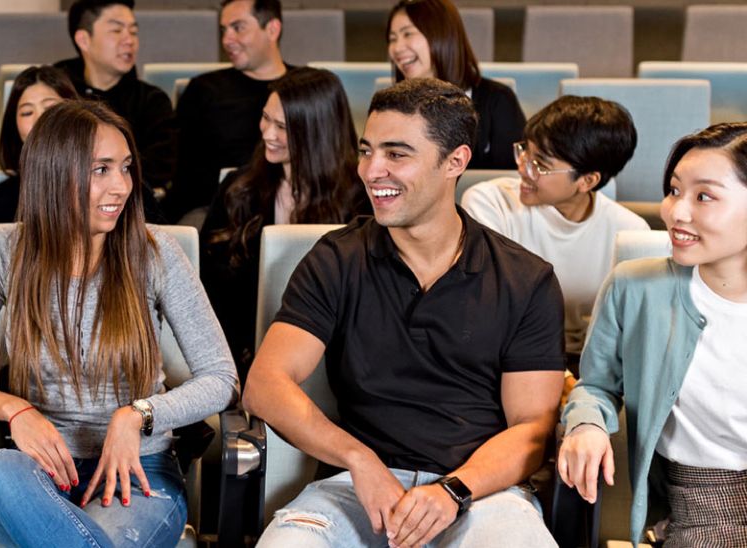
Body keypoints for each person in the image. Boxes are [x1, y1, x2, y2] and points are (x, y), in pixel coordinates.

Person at [245, 79, 563, 548]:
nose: (372, 171)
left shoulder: (526, 279)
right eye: (367, 150)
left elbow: (532, 429)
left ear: (455, 161)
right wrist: (358, 458)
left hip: (480, 494)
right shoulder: (336, 259)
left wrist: (454, 490)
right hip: (353, 489)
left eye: (397, 154)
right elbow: (265, 386)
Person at [0, 100, 237, 547]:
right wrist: (16, 410)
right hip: (40, 473)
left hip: (139, 474)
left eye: (126, 168)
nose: (122, 187)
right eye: (101, 170)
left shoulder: (156, 252)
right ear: (55, 173)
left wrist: (138, 415)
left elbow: (222, 378)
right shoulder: (6, 252)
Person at [560, 123, 747, 547]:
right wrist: (586, 425)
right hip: (703, 502)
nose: (675, 212)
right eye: (675, 190)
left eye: (704, 196)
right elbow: (596, 387)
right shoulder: (636, 287)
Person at [199, 67, 365, 376]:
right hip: (247, 356)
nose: (266, 133)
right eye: (266, 118)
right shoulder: (240, 190)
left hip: (335, 360)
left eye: (282, 126)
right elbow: (211, 290)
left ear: (315, 131)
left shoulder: (360, 200)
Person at [462, 96, 647, 360]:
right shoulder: (490, 203)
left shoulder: (629, 233)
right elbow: (491, 311)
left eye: (540, 165)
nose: (523, 168)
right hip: (507, 358)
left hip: (593, 364)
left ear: (587, 180)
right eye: (524, 151)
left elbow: (629, 333)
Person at [169, 0, 295, 223]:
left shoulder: (307, 87)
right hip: (217, 210)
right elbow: (183, 177)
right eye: (223, 30)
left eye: (238, 28)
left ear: (272, 29)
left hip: (297, 204)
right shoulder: (203, 90)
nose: (227, 40)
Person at [54, 0, 176, 193]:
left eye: (134, 32)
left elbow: (159, 168)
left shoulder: (152, 100)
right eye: (117, 31)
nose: (129, 40)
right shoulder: (56, 93)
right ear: (84, 40)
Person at [387, 0, 523, 170]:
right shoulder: (392, 106)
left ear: (441, 35)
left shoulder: (498, 100)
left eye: (407, 34)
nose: (397, 48)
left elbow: (511, 181)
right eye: (392, 39)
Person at [0, 66, 79, 246]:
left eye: (51, 108)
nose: (40, 119)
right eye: (27, 112)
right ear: (14, 127)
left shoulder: (107, 187)